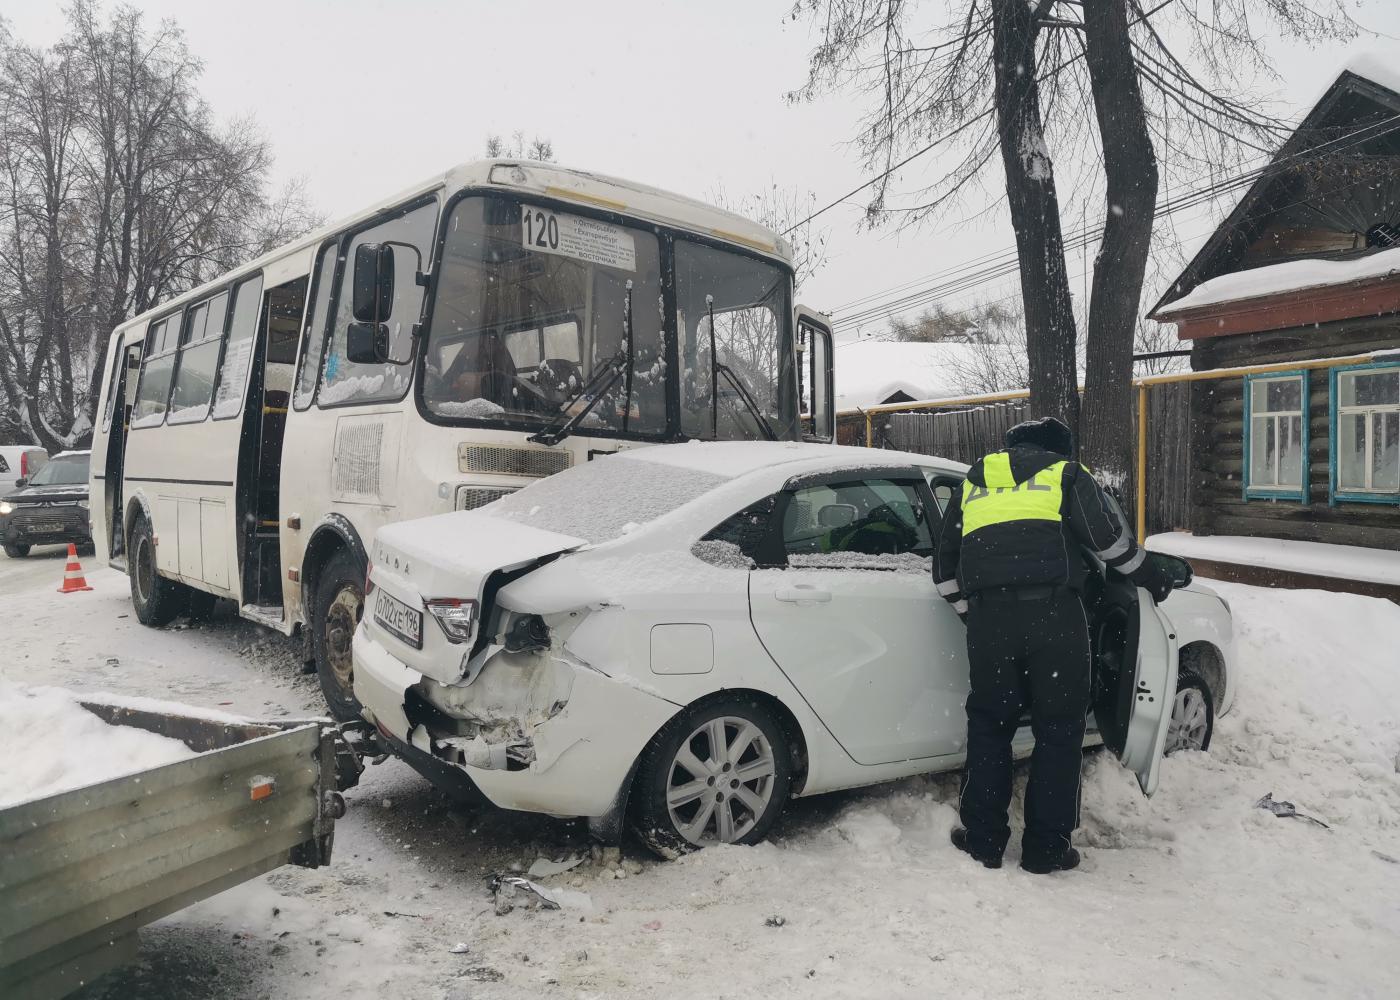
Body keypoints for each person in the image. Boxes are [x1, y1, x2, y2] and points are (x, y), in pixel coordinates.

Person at [933, 416, 1174, 875]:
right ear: (1059, 449)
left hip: (989, 622)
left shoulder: (974, 481)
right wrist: (1152, 575)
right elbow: (1110, 545)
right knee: (1059, 730)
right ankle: (1046, 848)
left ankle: (983, 840)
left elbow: (943, 572)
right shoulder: (1065, 474)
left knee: (990, 726)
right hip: (1054, 617)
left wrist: (976, 615)